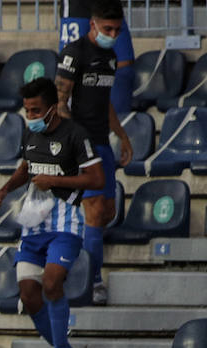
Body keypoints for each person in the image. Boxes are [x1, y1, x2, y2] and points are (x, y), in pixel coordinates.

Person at [0, 77, 103, 348]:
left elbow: (96, 179)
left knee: (51, 282)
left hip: (65, 222)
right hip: (33, 221)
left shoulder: (75, 135)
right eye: (27, 110)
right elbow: (26, 169)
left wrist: (57, 182)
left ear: (53, 108)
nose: (31, 116)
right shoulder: (30, 133)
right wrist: (4, 189)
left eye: (36, 110)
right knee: (28, 292)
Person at [57, 0, 135, 306]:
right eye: (107, 29)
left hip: (102, 140)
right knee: (92, 211)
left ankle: (80, 270)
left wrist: (123, 136)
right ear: (93, 25)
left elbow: (105, 102)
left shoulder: (110, 56)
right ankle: (93, 281)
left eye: (117, 30)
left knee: (106, 212)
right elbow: (60, 101)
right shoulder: (74, 53)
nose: (112, 34)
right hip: (81, 144)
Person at [61, 0, 135, 116]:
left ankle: (121, 122)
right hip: (78, 9)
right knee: (73, 68)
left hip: (110, 7)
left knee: (124, 69)